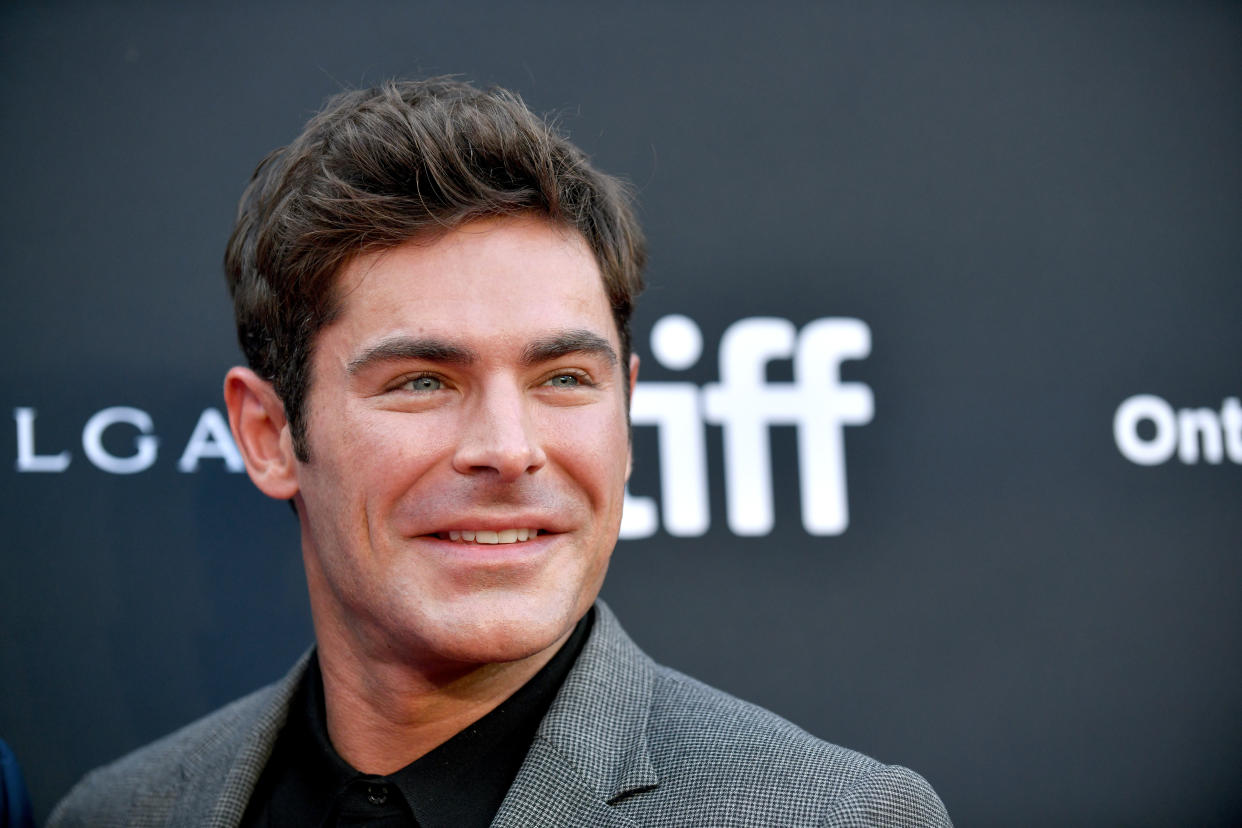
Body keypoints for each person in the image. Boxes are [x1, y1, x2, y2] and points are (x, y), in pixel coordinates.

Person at [48, 78, 952, 827]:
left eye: (563, 379)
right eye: (422, 382)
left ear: (628, 410)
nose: (509, 451)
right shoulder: (120, 813)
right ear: (269, 435)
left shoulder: (831, 816)